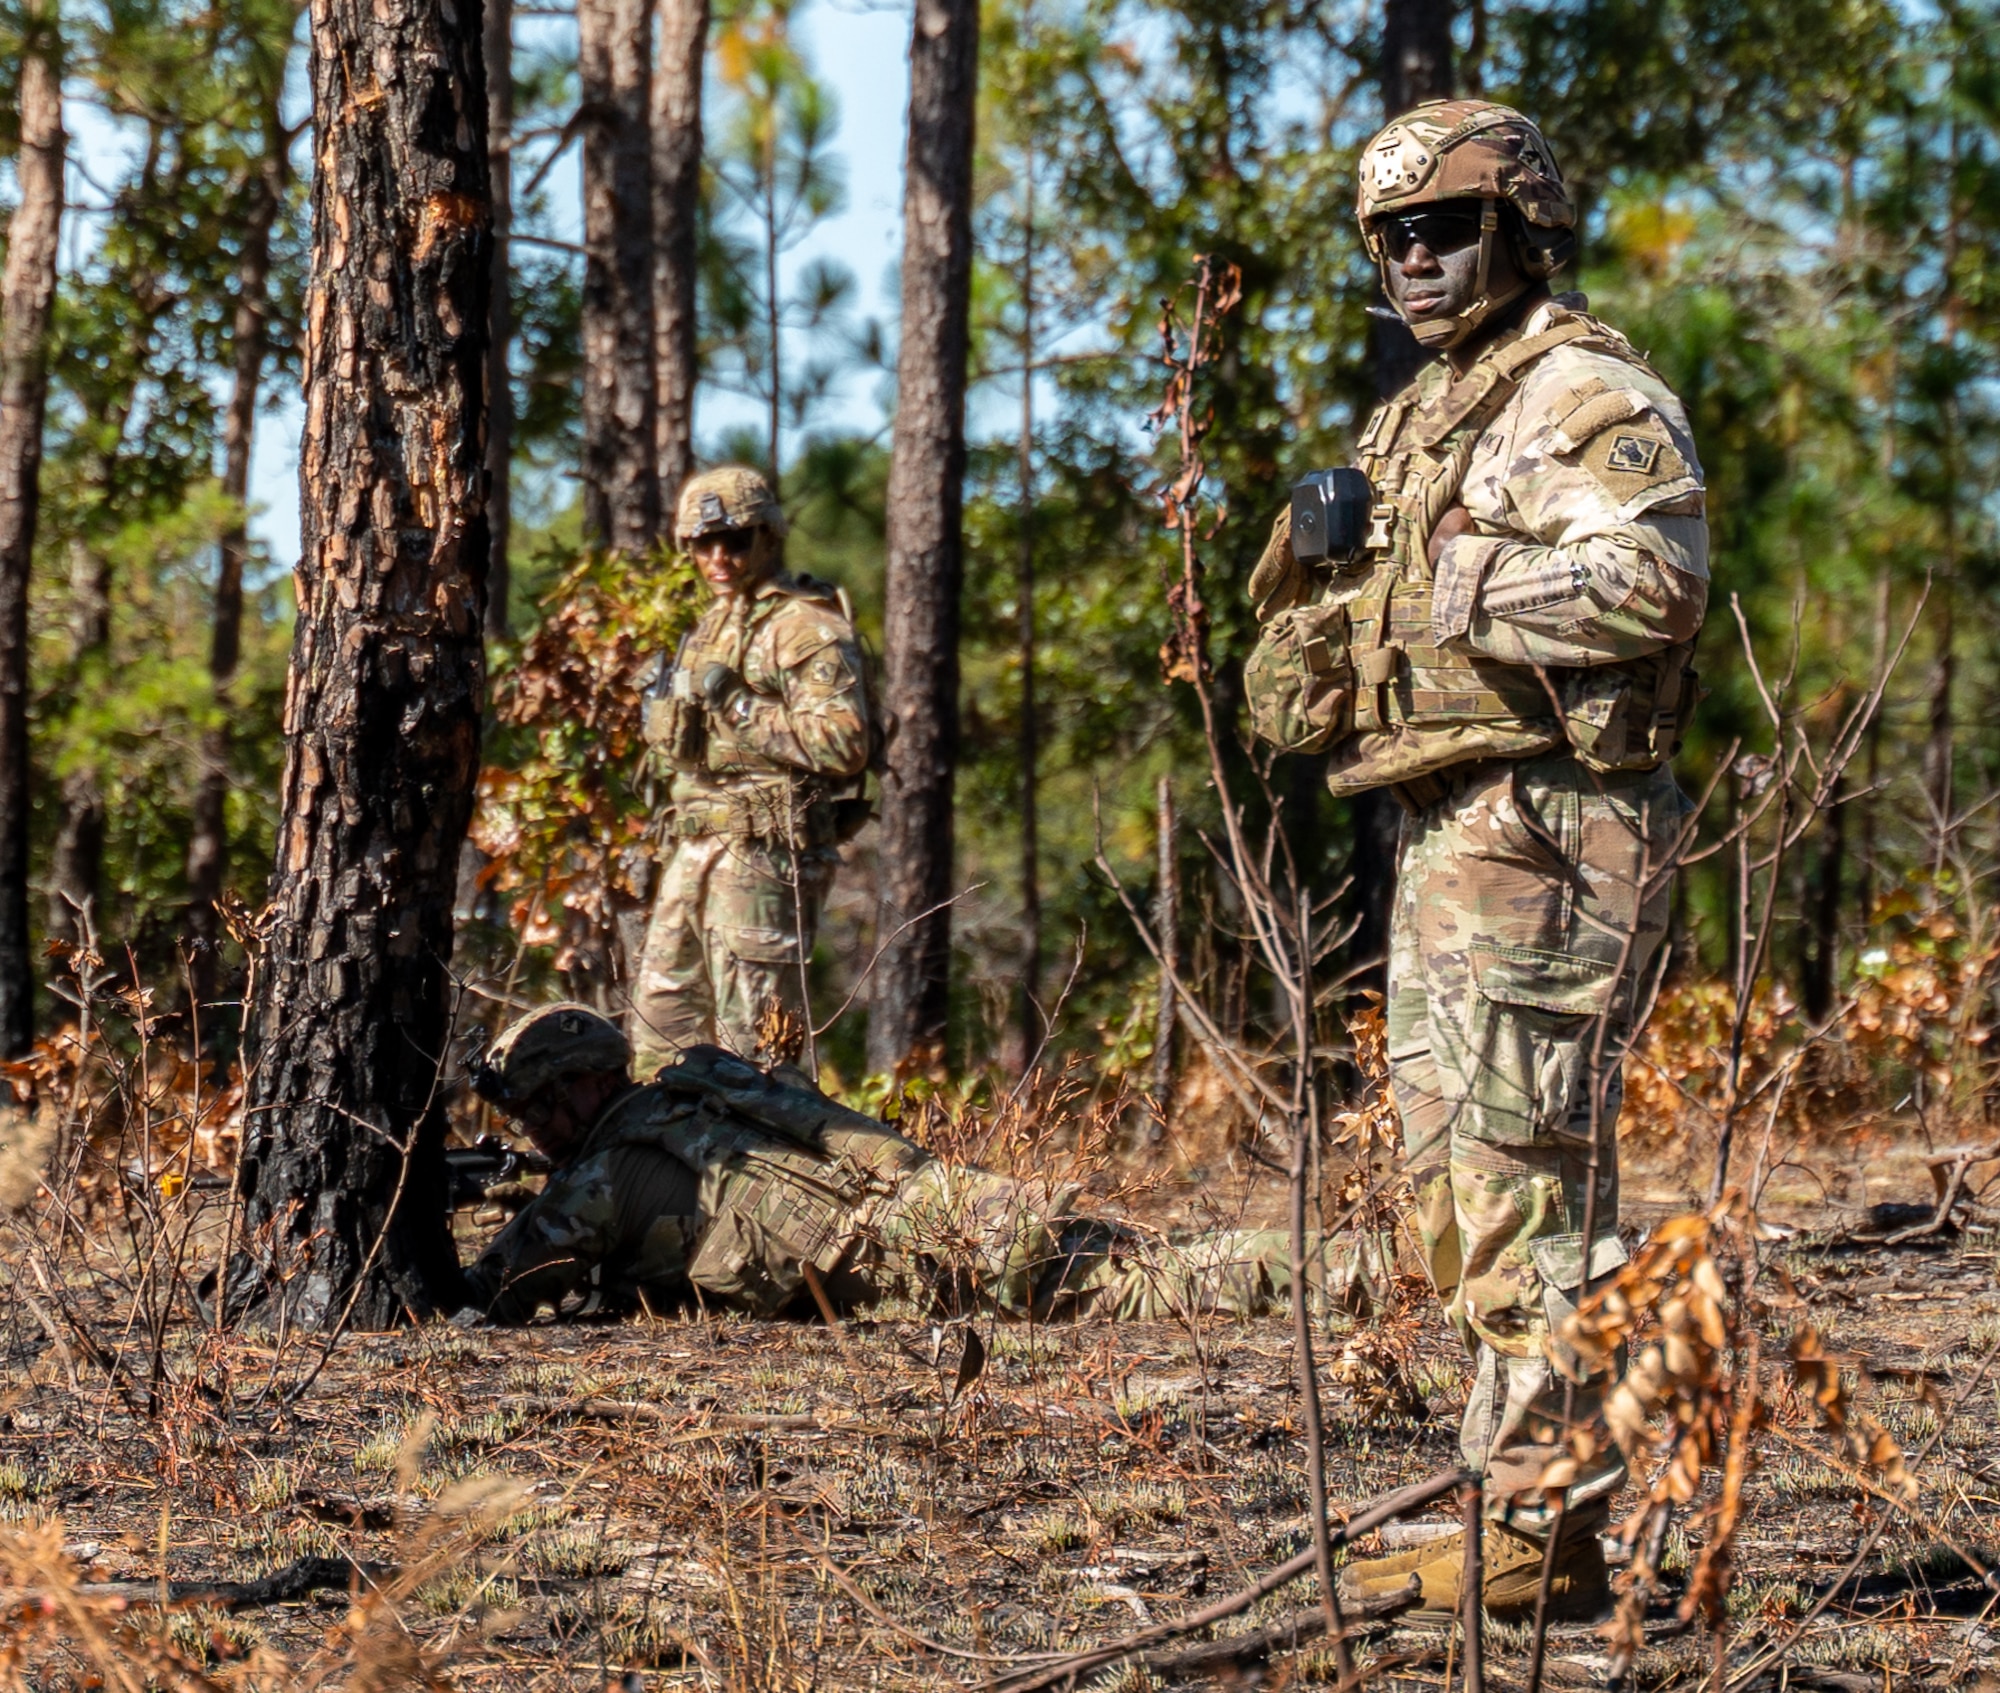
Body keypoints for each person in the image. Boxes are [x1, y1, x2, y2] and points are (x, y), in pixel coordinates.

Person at [1245, 100, 1708, 1620]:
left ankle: (1538, 1532)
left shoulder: (1579, 390)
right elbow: (1316, 651)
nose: (1416, 258)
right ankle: (1528, 1518)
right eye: (1391, 238)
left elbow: (1657, 581)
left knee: (1529, 1189)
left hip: (1554, 827)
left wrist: (1460, 580)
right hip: (1450, 831)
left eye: (1444, 226)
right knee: (1457, 1195)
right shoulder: (1418, 416)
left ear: (1520, 226)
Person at [458, 1004, 1322, 1327]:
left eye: (538, 1108)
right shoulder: (696, 1088)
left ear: (584, 1086)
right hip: (940, 1199)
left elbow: (496, 1288)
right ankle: (1346, 1252)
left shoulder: (597, 1180)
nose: (534, 1130)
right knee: (1152, 1258)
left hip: (926, 1256)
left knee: (1166, 1286)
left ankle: (1366, 1265)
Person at [630, 467, 872, 1075]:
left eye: (735, 541)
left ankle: (783, 1168)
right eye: (702, 544)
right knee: (659, 1044)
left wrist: (737, 704)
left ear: (768, 538)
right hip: (693, 852)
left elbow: (843, 745)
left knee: (760, 1061)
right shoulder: (709, 628)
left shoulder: (805, 628)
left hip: (764, 855)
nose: (718, 558)